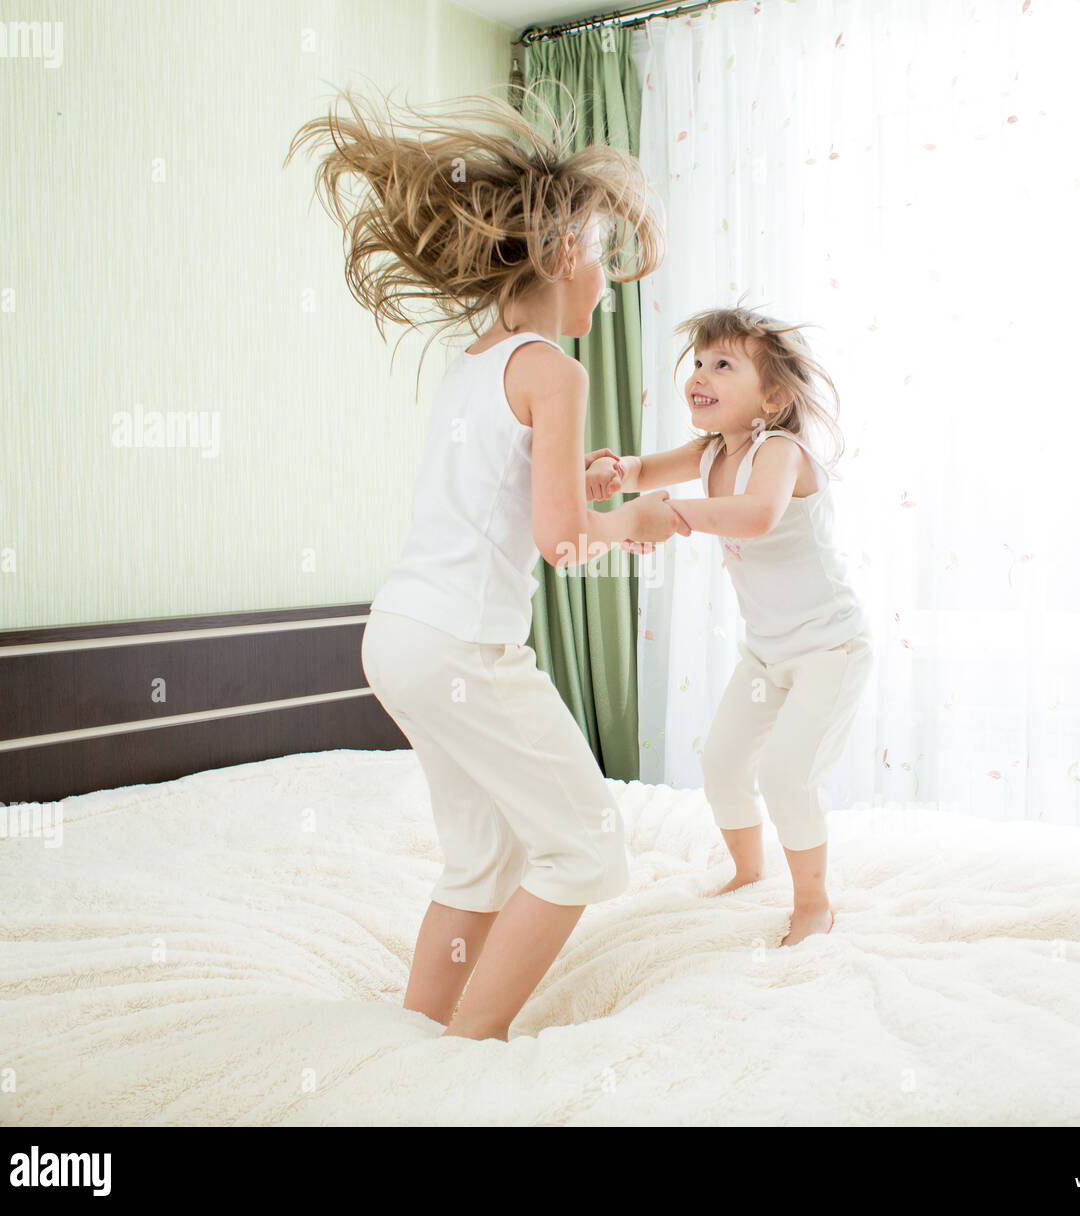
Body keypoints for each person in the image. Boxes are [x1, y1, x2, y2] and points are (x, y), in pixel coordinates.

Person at [287, 84, 677, 1039]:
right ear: (556, 254)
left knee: (482, 858)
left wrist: (586, 494)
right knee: (585, 845)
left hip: (400, 634)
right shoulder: (556, 369)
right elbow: (561, 544)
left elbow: (506, 506)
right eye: (597, 255)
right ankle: (475, 1041)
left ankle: (421, 1031)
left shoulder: (476, 362)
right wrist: (641, 520)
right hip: (463, 644)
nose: (603, 280)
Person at [598, 305, 873, 945]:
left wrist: (668, 517)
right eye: (698, 361)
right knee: (722, 762)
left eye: (723, 364)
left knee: (785, 773)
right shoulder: (708, 452)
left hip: (828, 649)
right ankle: (749, 872)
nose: (701, 373)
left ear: (772, 397)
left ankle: (812, 904)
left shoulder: (779, 452)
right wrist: (612, 474)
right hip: (766, 655)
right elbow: (640, 472)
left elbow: (754, 516)